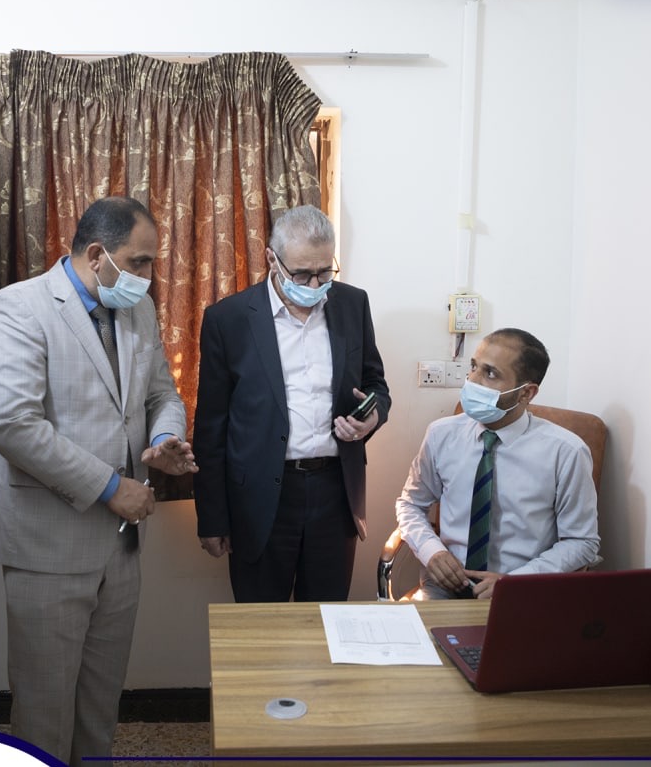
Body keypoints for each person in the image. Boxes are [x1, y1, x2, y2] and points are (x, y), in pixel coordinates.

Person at [0, 196, 197, 767]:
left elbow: (162, 394)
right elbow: (13, 424)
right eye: (139, 262)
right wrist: (111, 487)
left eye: (152, 263)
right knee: (43, 717)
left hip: (120, 552)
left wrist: (164, 439)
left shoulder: (137, 311)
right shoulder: (19, 307)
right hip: (48, 546)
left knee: (100, 711)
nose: (148, 277)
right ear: (97, 254)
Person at [193, 205, 390, 602]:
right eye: (302, 274)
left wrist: (372, 418)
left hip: (335, 491)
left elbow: (376, 385)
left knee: (327, 615)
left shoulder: (353, 304)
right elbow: (211, 426)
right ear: (272, 259)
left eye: (325, 272)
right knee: (261, 621)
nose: (315, 284)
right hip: (259, 497)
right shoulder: (228, 319)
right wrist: (211, 518)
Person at [396, 328, 599, 600]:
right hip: (444, 588)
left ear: (526, 393)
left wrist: (516, 582)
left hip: (522, 591)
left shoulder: (566, 452)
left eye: (490, 374)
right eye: (474, 367)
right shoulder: (441, 434)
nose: (472, 380)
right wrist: (431, 551)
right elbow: (410, 504)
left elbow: (582, 541)